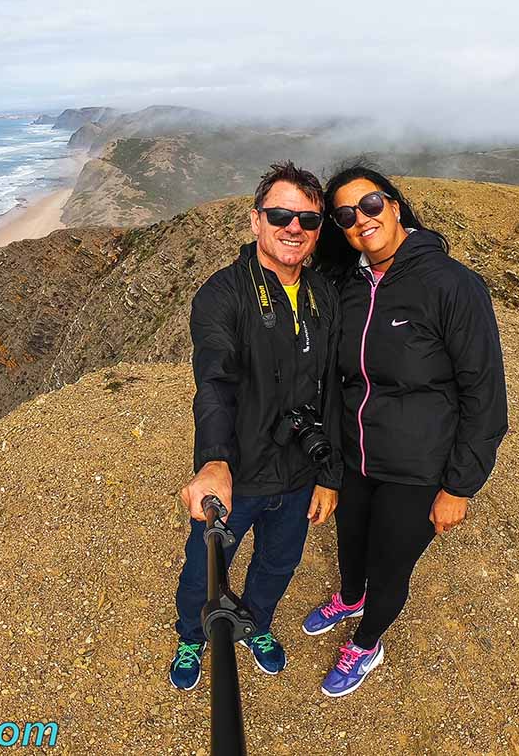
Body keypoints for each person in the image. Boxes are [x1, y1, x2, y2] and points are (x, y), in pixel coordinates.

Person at [303, 164, 508, 698]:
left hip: (418, 467)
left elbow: (485, 398)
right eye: (345, 215)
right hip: (356, 457)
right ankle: (349, 597)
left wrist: (459, 487)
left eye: (369, 204)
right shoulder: (348, 286)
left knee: (388, 565)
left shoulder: (452, 285)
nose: (360, 220)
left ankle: (367, 642)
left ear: (394, 204)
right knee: (351, 546)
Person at [169, 161, 343, 690]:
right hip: (237, 474)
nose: (294, 227)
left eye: (308, 220)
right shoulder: (223, 294)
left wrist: (329, 474)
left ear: (317, 232)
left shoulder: (324, 295)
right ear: (256, 221)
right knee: (206, 568)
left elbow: (335, 388)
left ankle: (258, 625)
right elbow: (215, 382)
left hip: (296, 474)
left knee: (278, 562)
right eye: (281, 214)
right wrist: (215, 461)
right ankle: (191, 636)